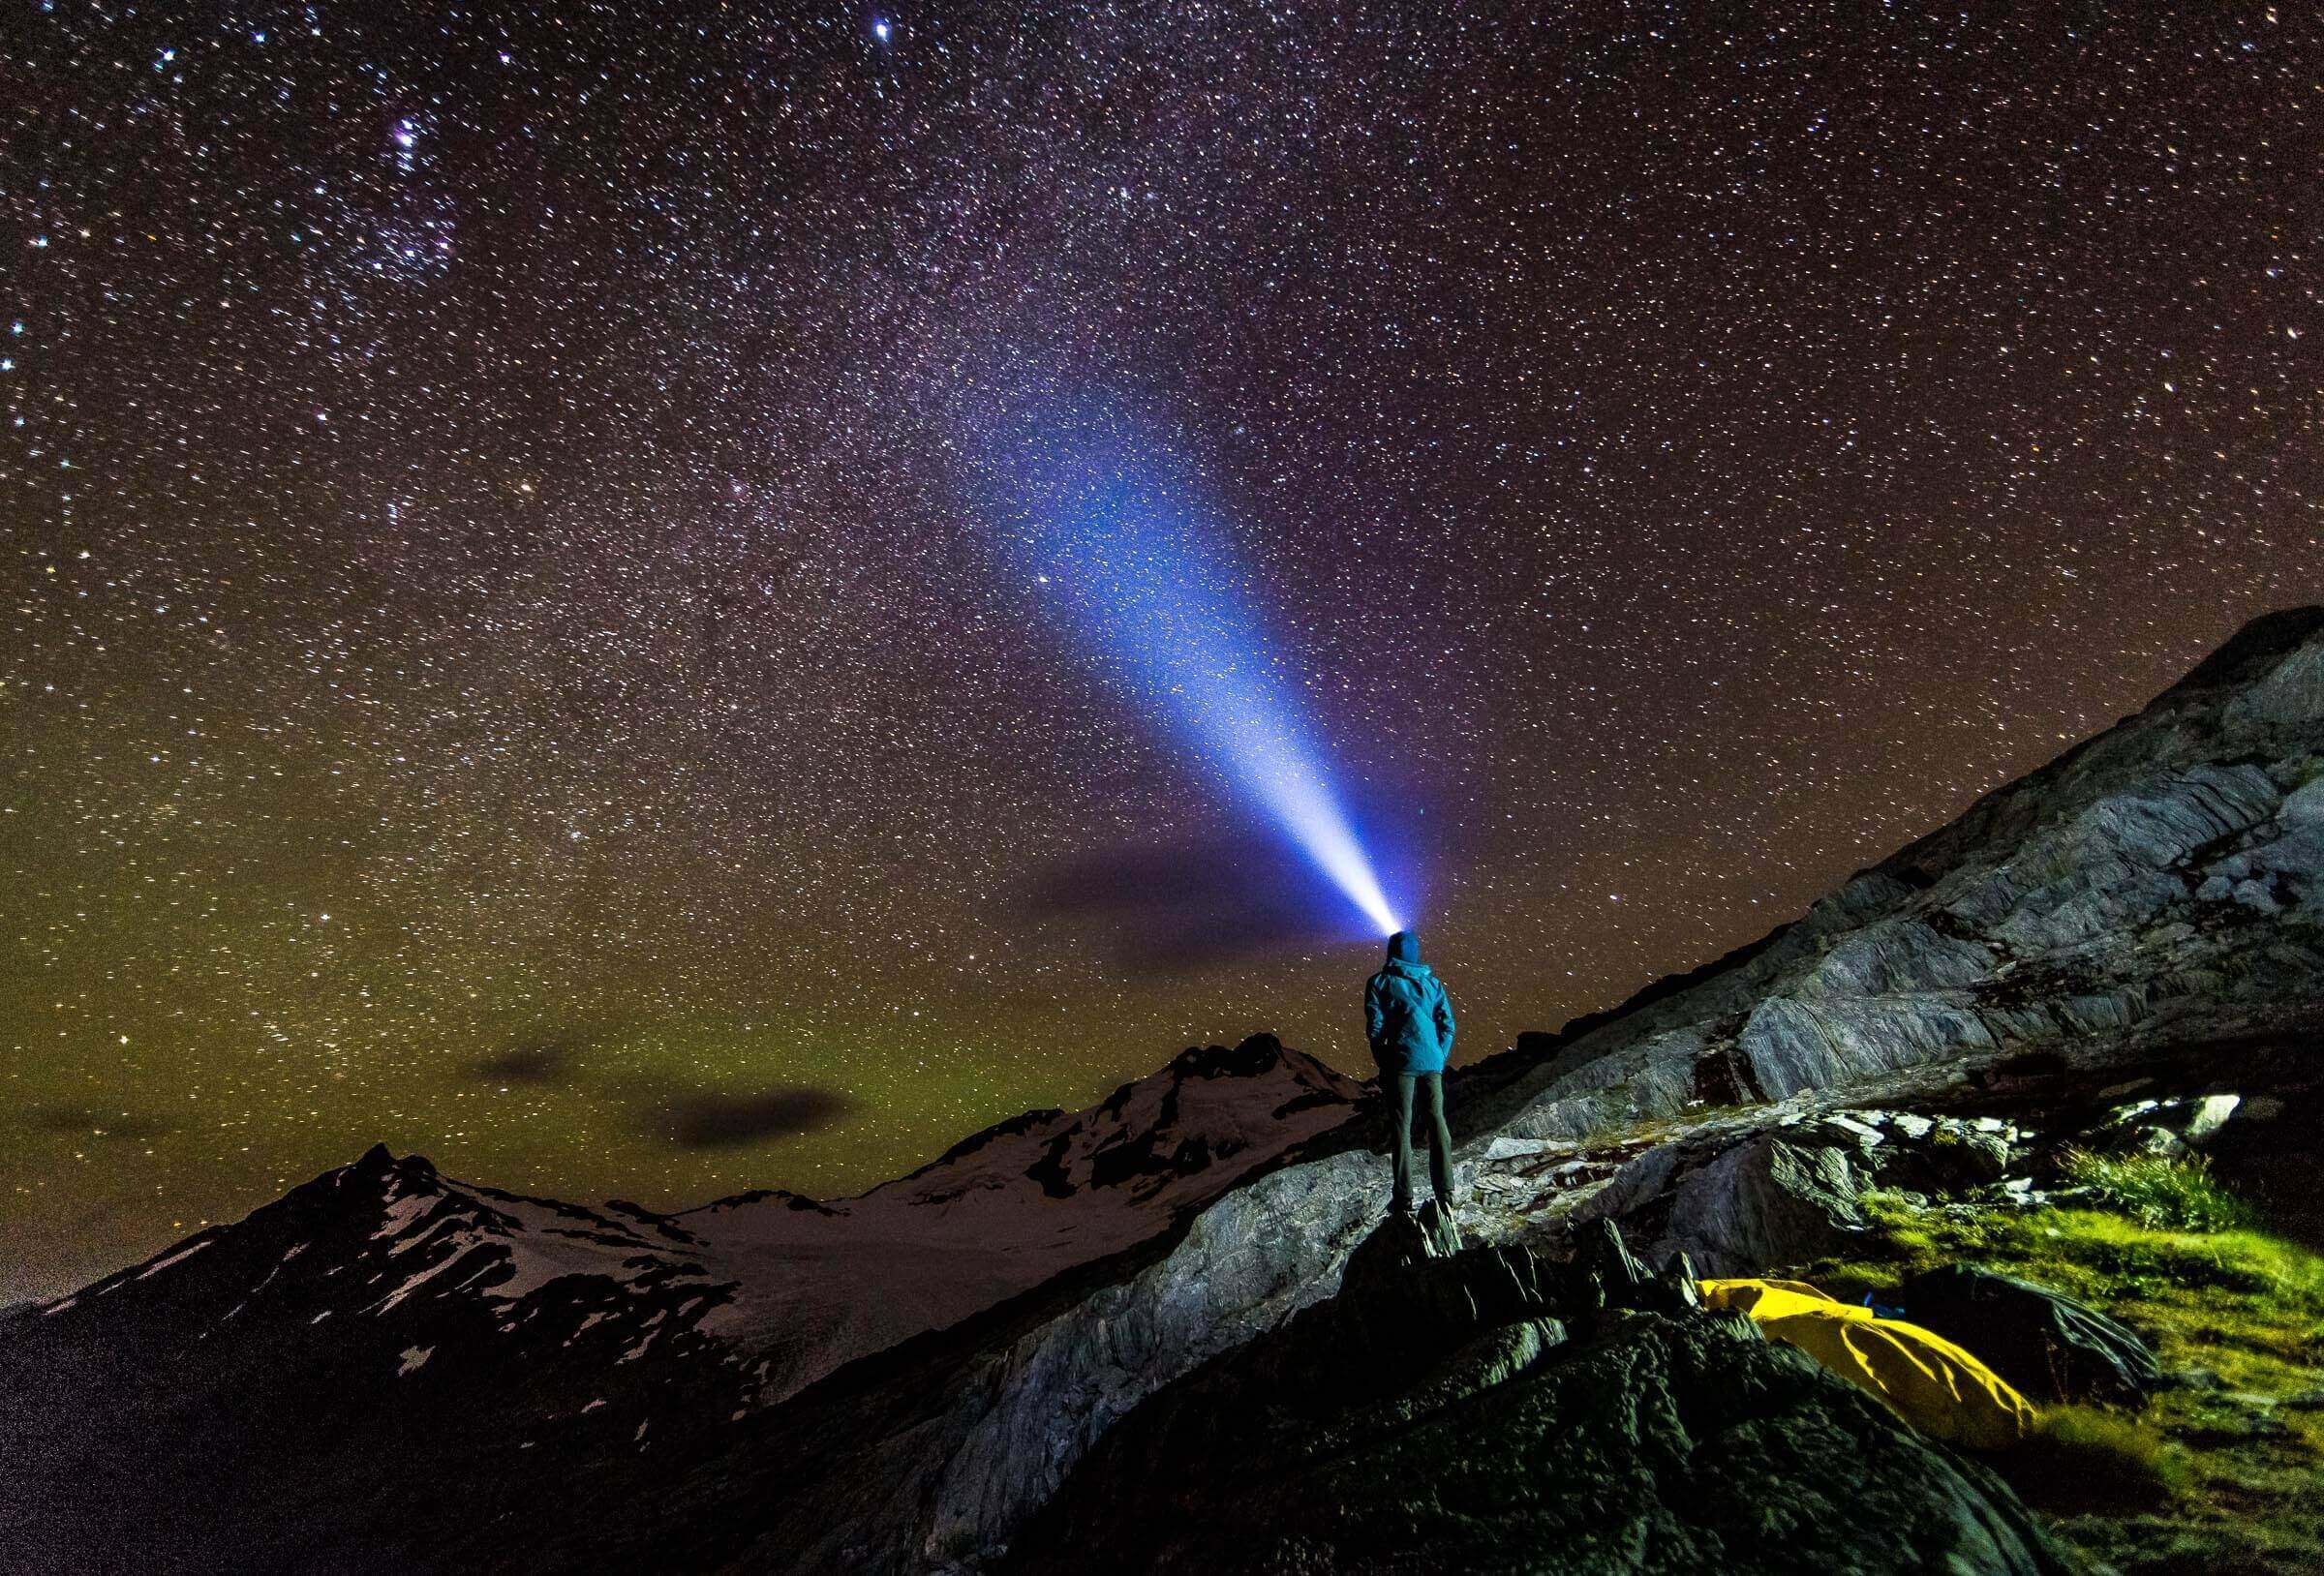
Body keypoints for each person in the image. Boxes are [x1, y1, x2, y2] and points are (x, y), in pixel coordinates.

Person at [1365, 929, 1455, 1214]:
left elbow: (1376, 1029)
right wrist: (1439, 1056)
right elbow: (1448, 1025)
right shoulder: (1432, 983)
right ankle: (1446, 1192)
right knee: (1436, 1122)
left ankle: (1404, 1197)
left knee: (1401, 1128)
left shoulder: (1379, 982)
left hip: (1401, 1063)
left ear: (1391, 951)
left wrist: (1385, 1061)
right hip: (1432, 1063)